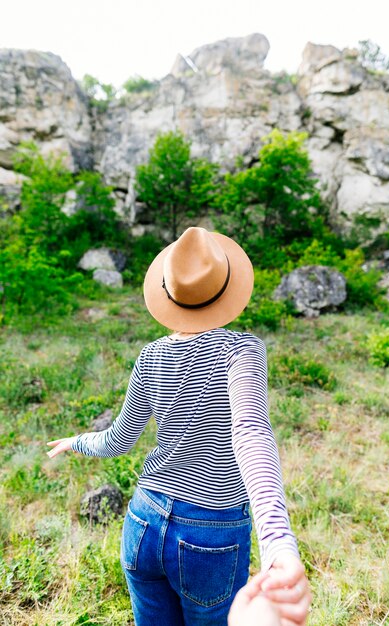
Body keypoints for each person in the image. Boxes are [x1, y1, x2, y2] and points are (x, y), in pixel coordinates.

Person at [46, 227, 312, 626]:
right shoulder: (242, 350)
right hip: (211, 536)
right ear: (226, 290)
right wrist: (277, 542)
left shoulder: (150, 355)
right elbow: (251, 430)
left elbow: (120, 439)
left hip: (143, 521)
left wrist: (78, 441)